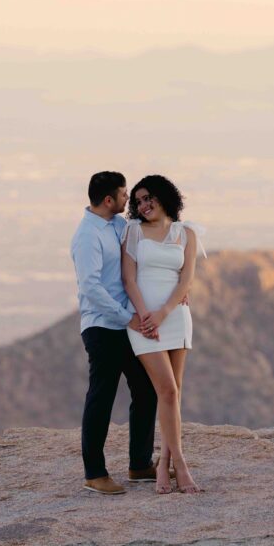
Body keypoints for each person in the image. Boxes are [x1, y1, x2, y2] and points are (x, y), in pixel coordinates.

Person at [70, 171, 162, 495]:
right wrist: (127, 317)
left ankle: (139, 465)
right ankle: (94, 473)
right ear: (108, 200)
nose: (128, 201)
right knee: (102, 396)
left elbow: (141, 259)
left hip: (124, 325)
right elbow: (91, 288)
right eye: (124, 196)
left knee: (146, 388)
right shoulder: (87, 236)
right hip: (102, 326)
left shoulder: (119, 226)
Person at [122, 174, 207, 494]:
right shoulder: (133, 233)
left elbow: (186, 280)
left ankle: (163, 466)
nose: (143, 205)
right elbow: (129, 280)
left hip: (175, 318)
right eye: (138, 201)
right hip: (145, 323)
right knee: (167, 391)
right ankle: (180, 465)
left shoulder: (186, 233)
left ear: (164, 197)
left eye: (148, 198)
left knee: (175, 393)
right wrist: (146, 316)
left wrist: (163, 313)